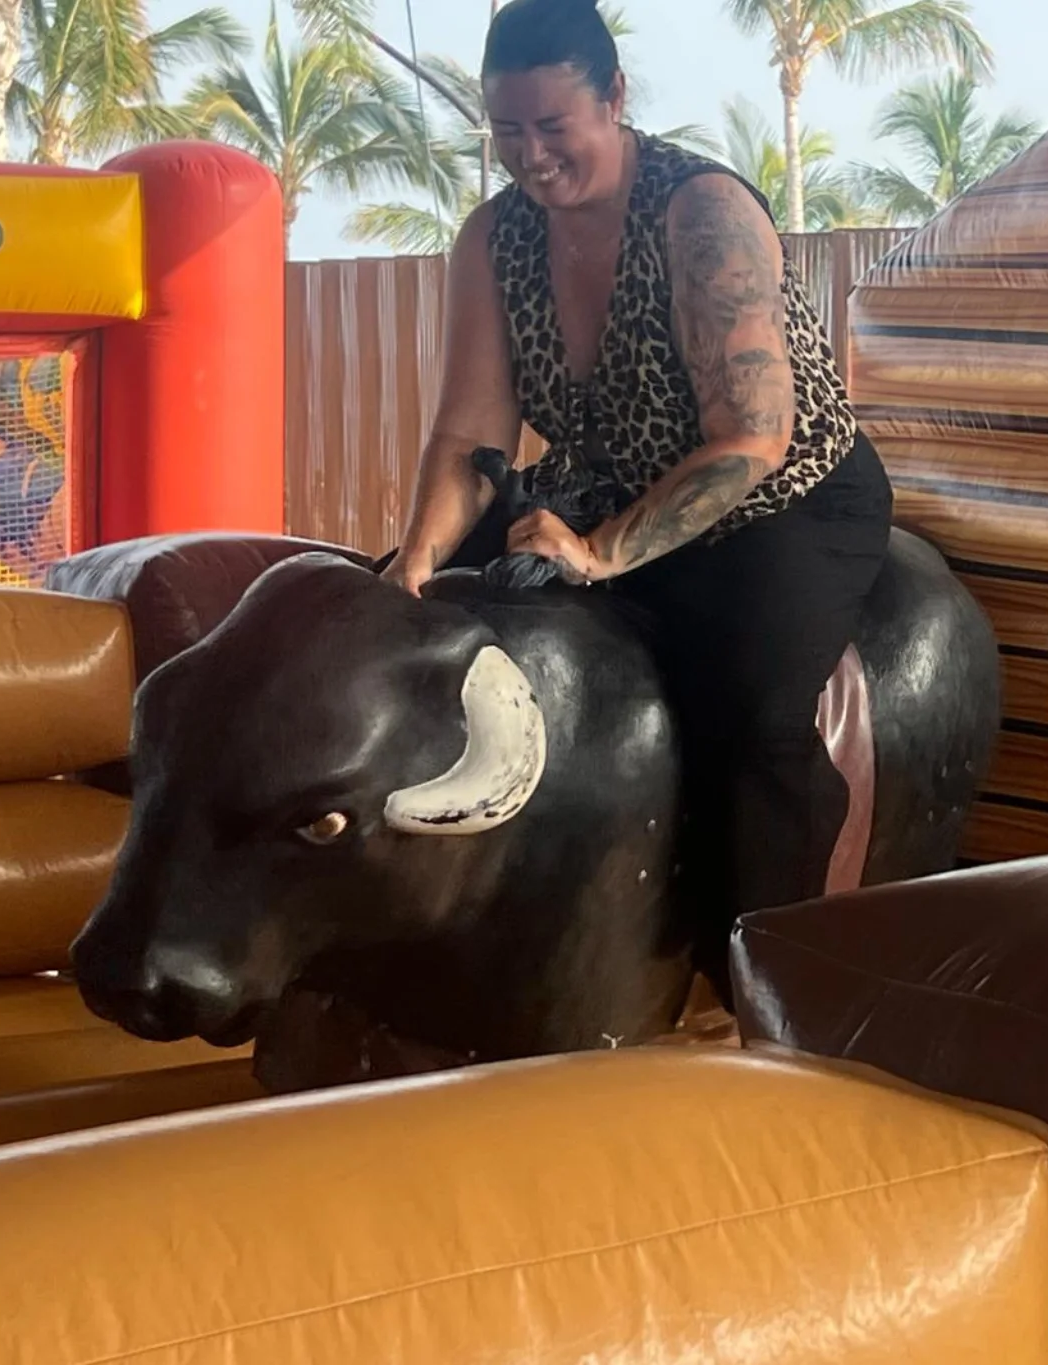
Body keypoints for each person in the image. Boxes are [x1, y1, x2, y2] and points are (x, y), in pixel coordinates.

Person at [383, 0, 894, 1005]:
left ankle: (774, 982)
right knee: (427, 620)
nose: (531, 156)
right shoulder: (493, 236)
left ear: (614, 96)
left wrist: (599, 555)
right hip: (610, 492)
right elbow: (466, 437)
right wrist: (413, 564)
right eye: (507, 130)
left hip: (780, 500)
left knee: (750, 710)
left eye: (553, 125)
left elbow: (752, 438)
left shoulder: (701, 213)